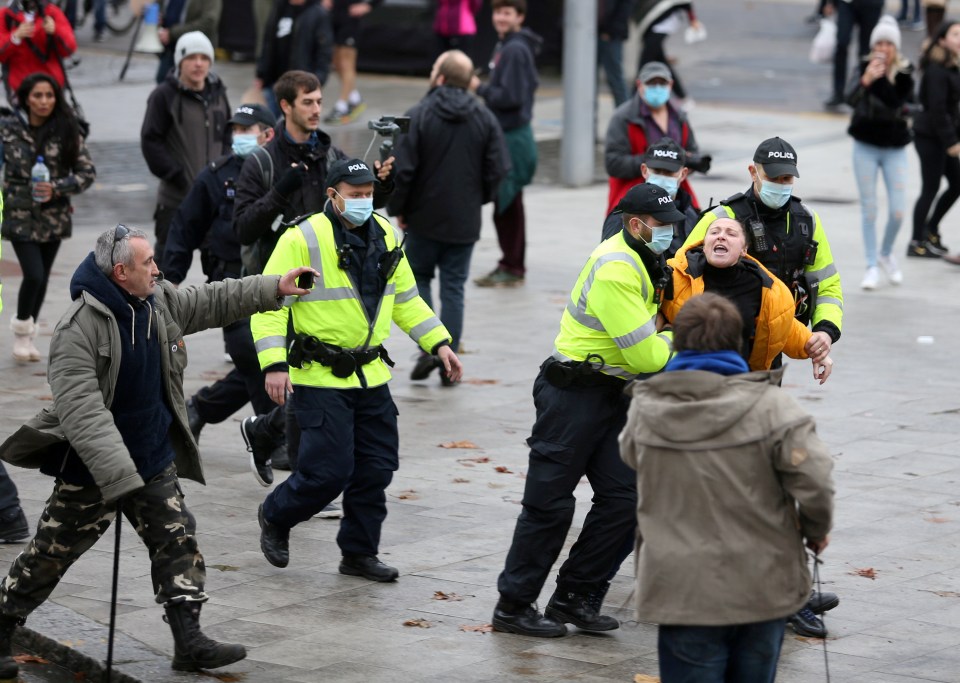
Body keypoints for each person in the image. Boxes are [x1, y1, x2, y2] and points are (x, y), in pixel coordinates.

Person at [0, 225, 313, 679]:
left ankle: (189, 641)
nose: (157, 269)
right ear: (121, 271)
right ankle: (4, 625)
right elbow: (82, 413)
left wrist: (274, 287)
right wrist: (120, 478)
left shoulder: (156, 302)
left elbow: (212, 300)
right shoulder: (77, 328)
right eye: (148, 263)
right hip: (94, 469)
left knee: (177, 539)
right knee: (50, 556)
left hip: (150, 456)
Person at [251, 158, 463, 578]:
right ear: (333, 195)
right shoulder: (302, 237)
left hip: (371, 374)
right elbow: (268, 303)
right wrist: (274, 364)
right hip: (319, 373)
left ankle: (359, 553)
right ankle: (276, 514)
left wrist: (438, 343)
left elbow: (405, 299)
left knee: (376, 469)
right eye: (355, 196)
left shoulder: (386, 233)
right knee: (326, 474)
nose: (364, 202)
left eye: (369, 195)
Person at [492, 183, 681, 639]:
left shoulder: (643, 257)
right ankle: (514, 606)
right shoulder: (616, 266)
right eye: (662, 226)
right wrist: (682, 339)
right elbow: (646, 358)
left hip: (608, 394)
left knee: (625, 499)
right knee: (548, 505)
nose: (670, 234)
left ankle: (575, 597)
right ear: (636, 225)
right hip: (571, 397)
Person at [620, 292, 835, 683]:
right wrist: (816, 532)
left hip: (682, 586)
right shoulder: (775, 407)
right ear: (739, 342)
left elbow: (631, 458)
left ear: (677, 341)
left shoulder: (646, 408)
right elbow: (816, 479)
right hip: (762, 584)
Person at [685, 137, 842, 637]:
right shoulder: (722, 218)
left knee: (765, 484)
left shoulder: (806, 222)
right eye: (772, 176)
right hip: (712, 374)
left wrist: (823, 333)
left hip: (766, 368)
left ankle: (783, 587)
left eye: (787, 178)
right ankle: (769, 589)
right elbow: (679, 279)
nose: (780, 185)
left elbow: (828, 287)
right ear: (753, 171)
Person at [234, 70, 393, 510]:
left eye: (320, 100)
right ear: (285, 106)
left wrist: (379, 186)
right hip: (276, 283)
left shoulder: (331, 153)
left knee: (306, 386)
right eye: (308, 102)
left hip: (322, 291)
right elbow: (243, 227)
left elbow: (355, 213)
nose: (317, 109)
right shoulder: (263, 161)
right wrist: (281, 191)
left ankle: (269, 438)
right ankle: (310, 479)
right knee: (293, 381)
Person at [162, 103, 287, 484]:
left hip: (281, 281)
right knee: (253, 353)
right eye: (235, 129)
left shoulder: (284, 170)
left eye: (247, 128)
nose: (239, 136)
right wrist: (169, 279)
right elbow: (185, 225)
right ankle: (275, 433)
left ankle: (200, 408)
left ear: (269, 133)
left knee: (266, 359)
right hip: (230, 284)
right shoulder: (215, 177)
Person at [387, 50, 508, 385]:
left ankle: (430, 347)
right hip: (464, 220)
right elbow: (498, 169)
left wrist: (401, 210)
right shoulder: (484, 118)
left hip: (423, 219)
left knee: (420, 280)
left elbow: (404, 170)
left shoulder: (420, 115)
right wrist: (478, 198)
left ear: (439, 77)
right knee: (454, 287)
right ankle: (447, 358)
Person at [664, 217, 834, 382]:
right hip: (686, 381)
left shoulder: (763, 287)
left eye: (731, 234)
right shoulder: (676, 276)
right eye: (714, 232)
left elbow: (780, 323)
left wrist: (817, 351)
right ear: (704, 244)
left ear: (744, 250)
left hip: (738, 384)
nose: (721, 236)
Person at [2, 72, 95, 363]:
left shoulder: (68, 130)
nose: (44, 101)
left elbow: (87, 173)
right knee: (34, 274)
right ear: (25, 99)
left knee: (42, 280)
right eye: (37, 96)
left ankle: (28, 333)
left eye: (49, 95)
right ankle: (20, 330)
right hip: (19, 213)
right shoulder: (8, 129)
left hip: (54, 216)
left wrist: (57, 187)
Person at [141, 31, 231, 270]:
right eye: (192, 57)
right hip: (175, 201)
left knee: (220, 273)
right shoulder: (163, 96)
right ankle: (159, 310)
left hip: (213, 203)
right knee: (165, 275)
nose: (198, 63)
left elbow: (228, 138)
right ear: (180, 61)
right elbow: (150, 141)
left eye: (204, 57)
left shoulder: (219, 95)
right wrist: (175, 175)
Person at [469, 0, 541, 288]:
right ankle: (511, 263)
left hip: (511, 137)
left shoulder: (514, 49)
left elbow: (510, 97)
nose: (500, 17)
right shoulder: (510, 46)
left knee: (507, 204)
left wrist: (478, 88)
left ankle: (512, 266)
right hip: (509, 135)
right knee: (508, 203)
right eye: (498, 12)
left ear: (519, 17)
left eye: (507, 13)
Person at [846, 16, 913, 284]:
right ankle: (872, 264)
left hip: (895, 147)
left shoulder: (906, 72)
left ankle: (886, 253)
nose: (883, 48)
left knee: (898, 211)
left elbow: (900, 104)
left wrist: (882, 80)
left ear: (896, 47)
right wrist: (865, 80)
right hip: (865, 145)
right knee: (870, 209)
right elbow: (848, 99)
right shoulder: (863, 67)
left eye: (889, 43)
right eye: (879, 43)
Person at [604, 61, 709, 216]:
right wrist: (655, 160)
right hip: (634, 199)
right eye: (652, 83)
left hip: (676, 197)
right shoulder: (624, 118)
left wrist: (684, 163)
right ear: (640, 85)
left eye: (662, 83)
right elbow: (613, 163)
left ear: (670, 85)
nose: (657, 88)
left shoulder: (679, 117)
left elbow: (692, 150)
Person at [909, 20, 960, 259]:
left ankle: (931, 230)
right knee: (930, 187)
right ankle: (916, 242)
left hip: (943, 135)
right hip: (930, 136)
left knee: (957, 182)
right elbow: (938, 110)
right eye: (956, 34)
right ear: (942, 40)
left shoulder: (952, 66)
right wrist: (951, 142)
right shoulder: (937, 69)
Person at [600, 137, 697, 257]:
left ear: (683, 174)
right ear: (644, 170)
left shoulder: (690, 213)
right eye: (657, 171)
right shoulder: (624, 216)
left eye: (668, 173)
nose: (662, 177)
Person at [255, 0, 334, 119]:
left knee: (295, 129)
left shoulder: (317, 13)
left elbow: (324, 52)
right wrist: (261, 73)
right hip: (274, 83)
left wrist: (316, 81)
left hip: (300, 88)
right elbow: (268, 42)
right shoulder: (280, 8)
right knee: (266, 126)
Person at [0, 0, 76, 100]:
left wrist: (56, 31)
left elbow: (70, 48)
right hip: (20, 88)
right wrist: (14, 37)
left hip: (51, 86)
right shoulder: (6, 15)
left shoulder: (52, 13)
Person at [321, 0, 382, 124]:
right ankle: (354, 98)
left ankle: (342, 106)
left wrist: (368, 5)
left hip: (351, 17)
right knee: (335, 61)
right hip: (334, 15)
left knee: (346, 62)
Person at [632, 0, 700, 102]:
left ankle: (633, 99)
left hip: (664, 22)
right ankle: (682, 97)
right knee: (660, 60)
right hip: (651, 23)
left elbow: (685, 2)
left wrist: (692, 19)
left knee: (645, 61)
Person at [823, 0, 885, 109]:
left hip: (871, 5)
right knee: (841, 43)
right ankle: (838, 92)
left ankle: (862, 91)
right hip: (847, 3)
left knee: (865, 51)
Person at [154, 0, 222, 84]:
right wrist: (157, 17)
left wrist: (172, 33)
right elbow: (158, 6)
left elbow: (209, 22)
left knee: (193, 84)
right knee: (164, 81)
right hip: (168, 49)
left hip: (195, 49)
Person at [598, 0, 635, 107]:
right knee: (588, 78)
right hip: (596, 33)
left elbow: (624, 9)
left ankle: (625, 115)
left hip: (611, 35)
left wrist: (610, 32)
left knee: (615, 78)